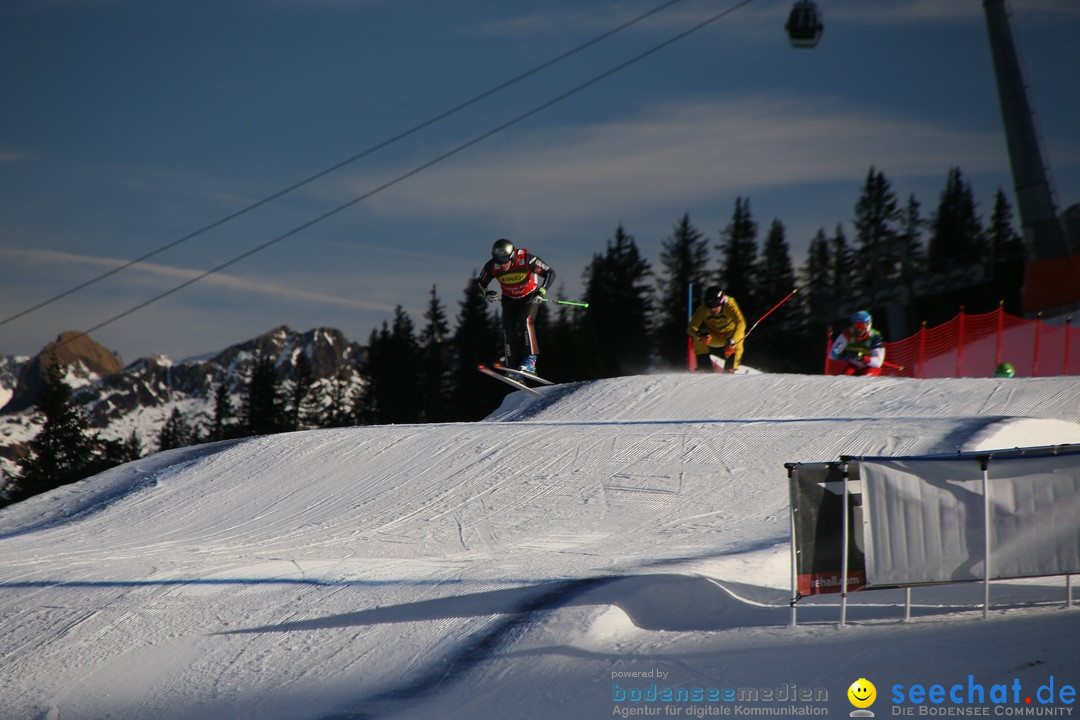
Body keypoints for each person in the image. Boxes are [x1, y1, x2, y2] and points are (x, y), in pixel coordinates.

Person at [476, 238, 556, 375]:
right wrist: (486, 292)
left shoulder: (527, 260)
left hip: (529, 298)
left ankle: (530, 361)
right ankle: (511, 367)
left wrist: (541, 291)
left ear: (512, 256)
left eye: (504, 260)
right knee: (508, 330)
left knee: (525, 322)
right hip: (509, 300)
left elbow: (550, 273)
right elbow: (480, 282)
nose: (501, 264)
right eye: (498, 260)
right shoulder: (492, 266)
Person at [687, 285, 747, 373]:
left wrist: (732, 341)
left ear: (722, 301)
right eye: (709, 305)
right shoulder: (703, 309)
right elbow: (691, 328)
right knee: (698, 337)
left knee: (739, 335)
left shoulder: (729, 305)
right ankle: (705, 368)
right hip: (714, 336)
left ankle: (730, 368)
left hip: (729, 336)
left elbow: (741, 323)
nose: (713, 308)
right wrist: (700, 334)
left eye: (716, 304)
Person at [829, 310, 885, 376]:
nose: (858, 329)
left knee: (866, 378)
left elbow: (878, 363)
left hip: (870, 367)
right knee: (844, 377)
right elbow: (832, 355)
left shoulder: (874, 338)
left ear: (868, 326)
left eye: (861, 326)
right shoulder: (848, 334)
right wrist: (842, 355)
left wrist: (862, 358)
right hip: (855, 365)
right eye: (856, 326)